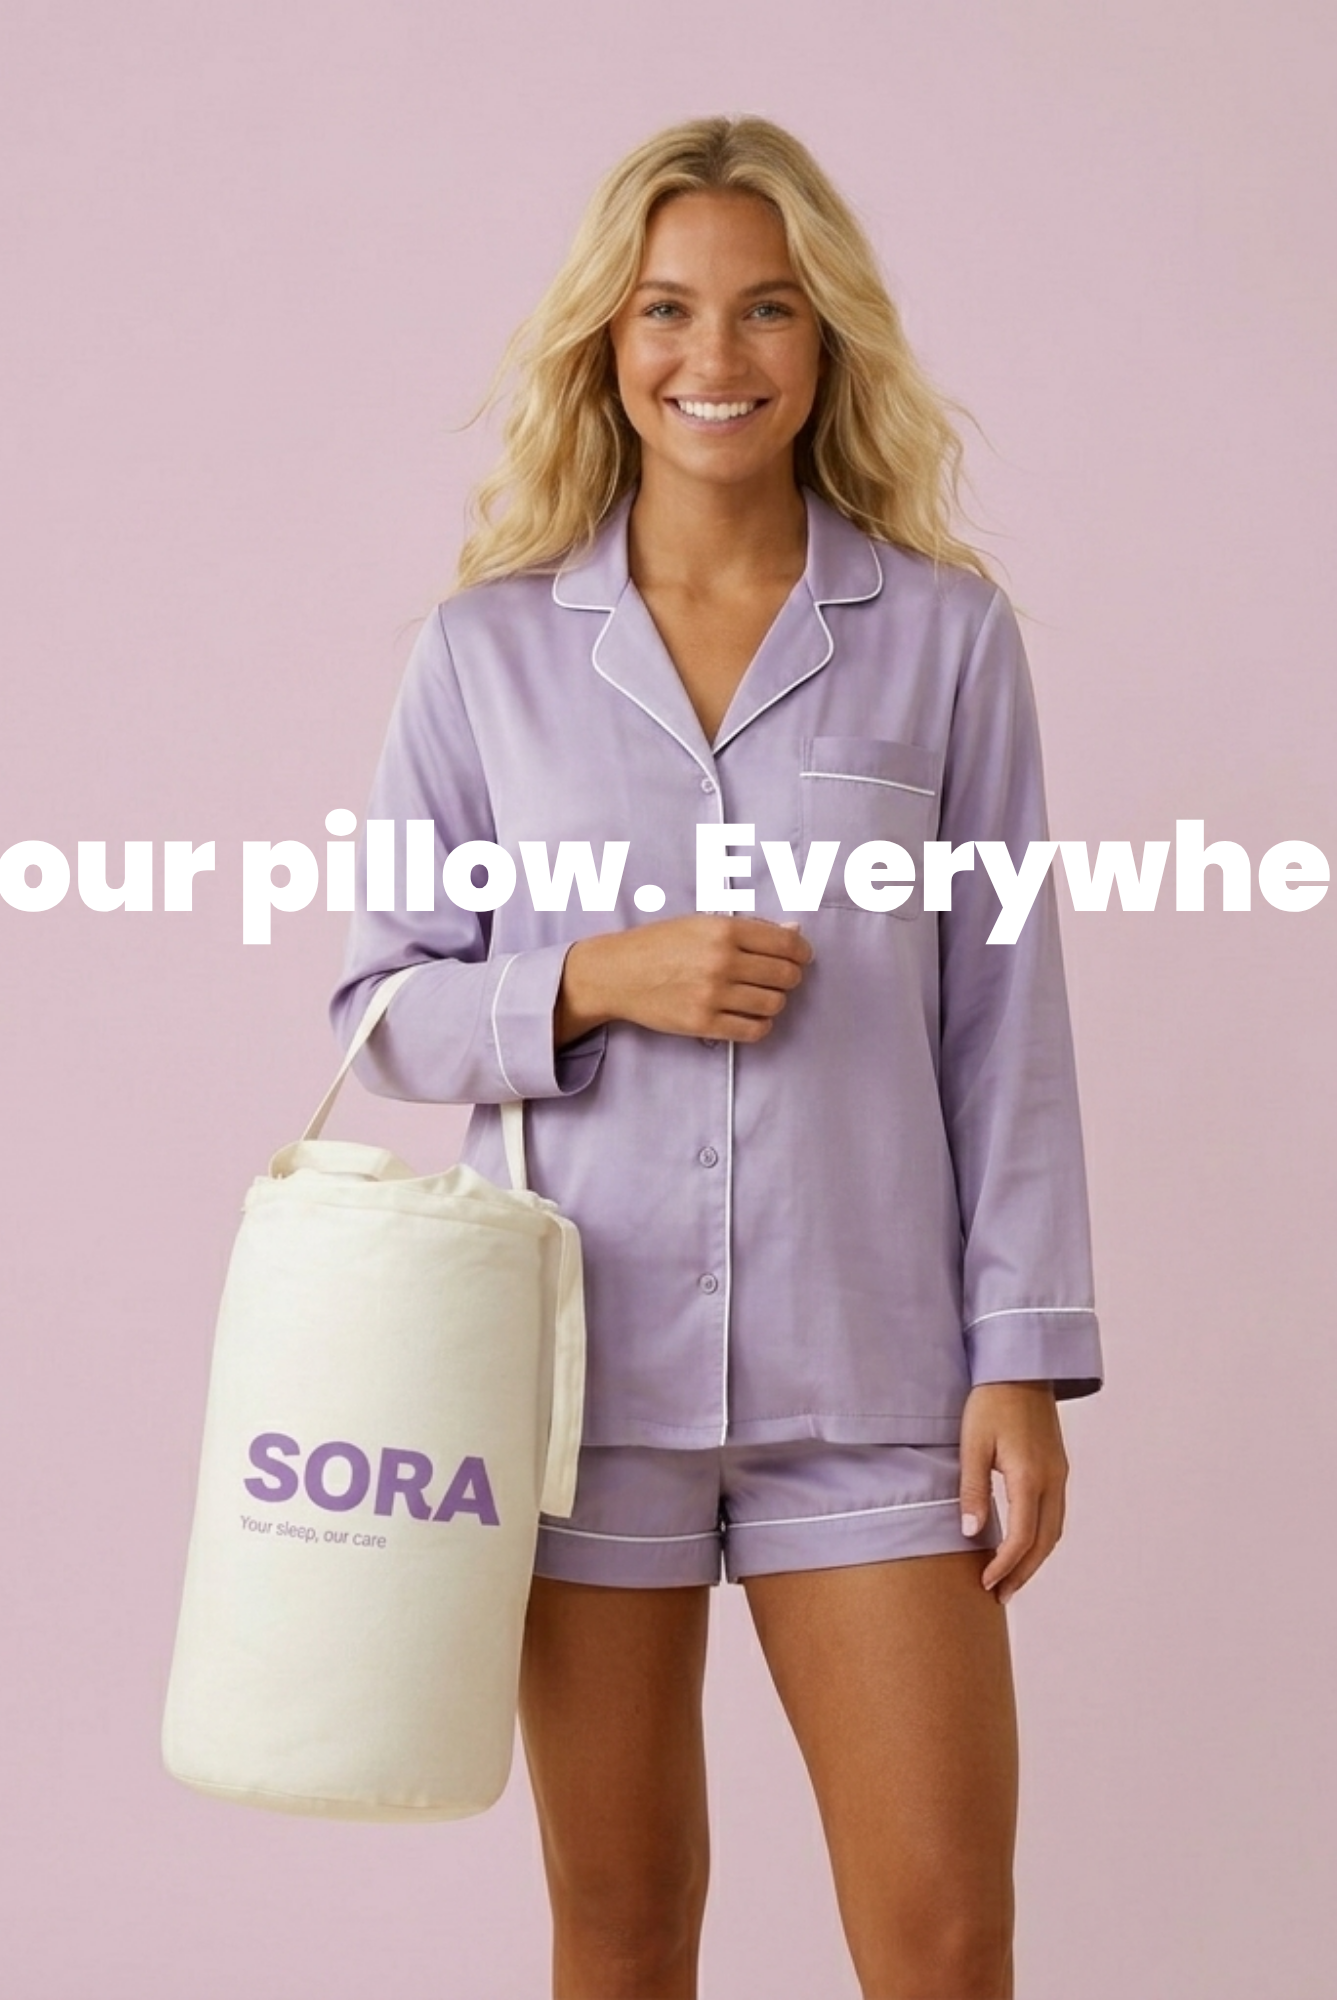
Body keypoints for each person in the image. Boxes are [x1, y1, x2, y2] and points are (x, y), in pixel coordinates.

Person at [330, 114, 1102, 2000]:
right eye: (668, 308)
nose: (716, 354)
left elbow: (1005, 1016)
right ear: (609, 341)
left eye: (767, 308)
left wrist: (1021, 1359)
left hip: (877, 1376)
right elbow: (380, 1009)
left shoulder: (945, 640)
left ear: (825, 340)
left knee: (943, 1936)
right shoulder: (485, 656)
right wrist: (591, 977)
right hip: (576, 1384)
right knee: (620, 1925)